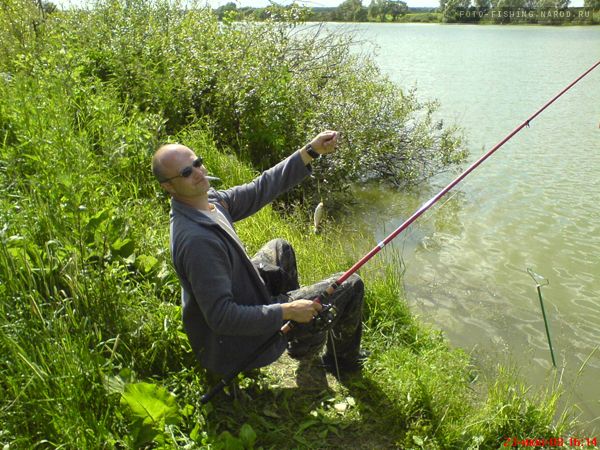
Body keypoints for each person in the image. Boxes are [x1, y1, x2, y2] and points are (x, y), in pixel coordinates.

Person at [152, 130, 366, 389]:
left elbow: (260, 188)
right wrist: (287, 310)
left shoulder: (210, 202)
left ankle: (299, 339)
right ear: (168, 186)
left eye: (197, 163)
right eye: (187, 172)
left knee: (280, 248)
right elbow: (222, 317)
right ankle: (341, 362)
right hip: (235, 344)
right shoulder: (197, 241)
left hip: (246, 296)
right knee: (351, 284)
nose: (198, 173)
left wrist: (310, 151)